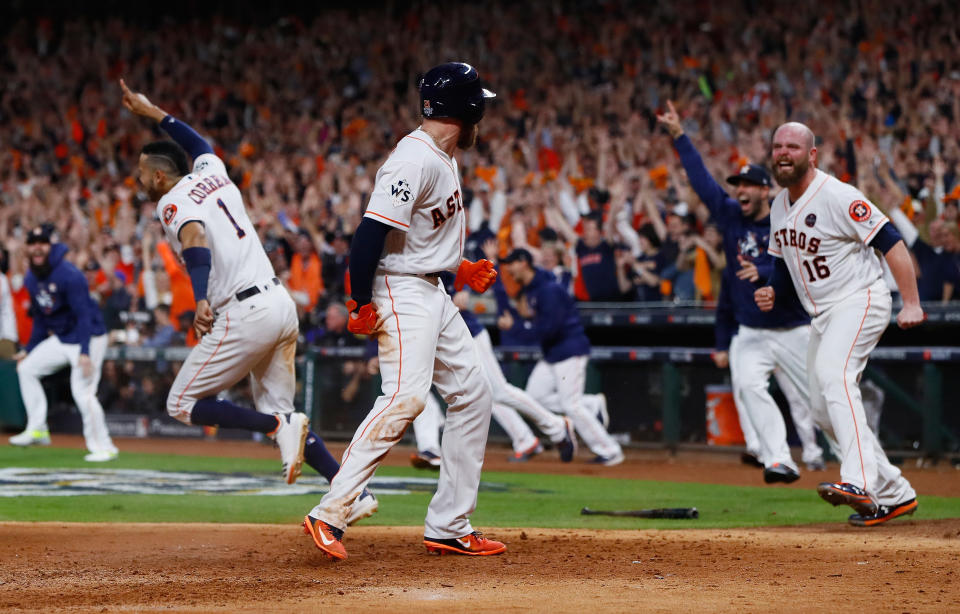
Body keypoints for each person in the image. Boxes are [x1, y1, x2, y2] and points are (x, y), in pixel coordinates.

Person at [120, 80, 377, 525]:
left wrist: (200, 299)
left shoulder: (172, 201)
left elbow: (195, 240)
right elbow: (198, 142)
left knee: (181, 403)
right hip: (279, 304)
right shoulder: (213, 173)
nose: (140, 180)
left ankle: (277, 428)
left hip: (244, 313)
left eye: (143, 173)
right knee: (283, 411)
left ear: (160, 176)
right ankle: (350, 491)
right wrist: (152, 111)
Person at [302, 62, 504, 560]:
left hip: (432, 289)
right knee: (405, 398)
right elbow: (370, 233)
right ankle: (331, 511)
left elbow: (415, 235)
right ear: (468, 109)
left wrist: (458, 266)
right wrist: (358, 301)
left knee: (474, 394)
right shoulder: (413, 160)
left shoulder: (444, 154)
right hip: (401, 289)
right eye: (481, 102)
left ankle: (450, 525)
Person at [754, 122, 924, 526]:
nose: (783, 152)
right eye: (778, 145)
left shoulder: (838, 195)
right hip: (824, 314)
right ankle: (896, 494)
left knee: (835, 378)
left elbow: (892, 242)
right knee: (820, 410)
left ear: (812, 155)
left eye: (793, 146)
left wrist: (912, 302)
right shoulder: (779, 205)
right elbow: (782, 261)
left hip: (860, 299)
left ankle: (858, 483)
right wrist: (774, 290)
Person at [657, 101, 825, 482]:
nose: (742, 191)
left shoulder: (788, 215)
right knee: (749, 387)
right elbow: (702, 183)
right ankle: (778, 459)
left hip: (794, 329)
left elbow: (801, 265)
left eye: (749, 185)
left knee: (821, 404)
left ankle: (866, 468)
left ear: (766, 190)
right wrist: (680, 136)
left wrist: (765, 269)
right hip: (750, 331)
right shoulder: (731, 216)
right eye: (739, 186)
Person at [501, 248, 624, 465]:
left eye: (511, 263)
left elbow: (549, 329)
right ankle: (592, 405)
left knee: (571, 405)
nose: (509, 269)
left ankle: (609, 449)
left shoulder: (548, 289)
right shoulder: (534, 286)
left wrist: (517, 328)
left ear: (523, 262)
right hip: (553, 353)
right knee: (534, 398)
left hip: (569, 350)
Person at [10, 225, 118, 462]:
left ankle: (104, 447)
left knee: (83, 392)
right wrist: (28, 350)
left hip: (89, 336)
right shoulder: (31, 277)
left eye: (42, 242)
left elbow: (84, 316)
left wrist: (85, 352)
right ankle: (37, 428)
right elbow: (40, 319)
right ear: (27, 248)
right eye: (33, 242)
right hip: (63, 339)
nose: (37, 246)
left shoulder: (69, 274)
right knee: (27, 368)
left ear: (51, 246)